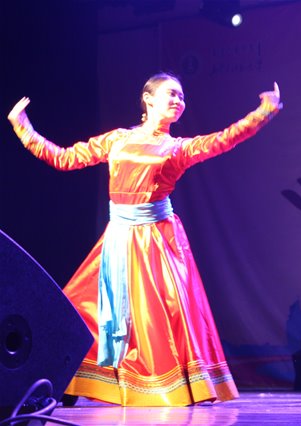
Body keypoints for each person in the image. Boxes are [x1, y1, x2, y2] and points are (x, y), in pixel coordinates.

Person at [7, 72, 282, 406]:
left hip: (157, 244)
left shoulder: (178, 148)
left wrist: (263, 113)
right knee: (81, 309)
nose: (179, 100)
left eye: (182, 96)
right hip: (118, 240)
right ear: (148, 99)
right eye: (172, 93)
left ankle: (166, 386)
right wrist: (23, 126)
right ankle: (71, 377)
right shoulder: (117, 140)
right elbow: (63, 158)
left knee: (159, 318)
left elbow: (224, 139)